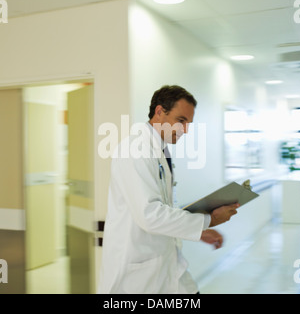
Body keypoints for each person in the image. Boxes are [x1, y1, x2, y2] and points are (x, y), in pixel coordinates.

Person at [98, 85, 240, 294]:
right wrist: (209, 219)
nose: (185, 130)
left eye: (189, 123)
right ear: (159, 112)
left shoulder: (160, 151)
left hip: (164, 264)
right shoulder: (135, 151)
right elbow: (150, 215)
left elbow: (164, 207)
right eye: (180, 120)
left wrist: (198, 231)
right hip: (137, 273)